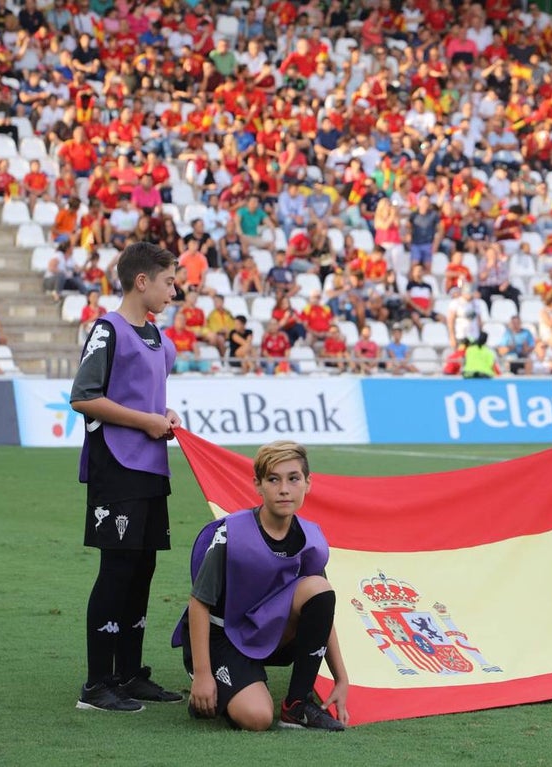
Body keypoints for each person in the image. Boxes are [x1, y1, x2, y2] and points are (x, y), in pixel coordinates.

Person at [70, 242, 183, 712]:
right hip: (116, 466)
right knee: (117, 570)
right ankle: (98, 685)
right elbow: (83, 397)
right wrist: (146, 421)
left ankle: (131, 674)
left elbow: (147, 397)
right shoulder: (107, 331)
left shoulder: (159, 338)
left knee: (142, 570)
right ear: (142, 281)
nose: (173, 291)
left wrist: (165, 414)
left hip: (151, 467)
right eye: (169, 282)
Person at [174, 441, 350, 731]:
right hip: (222, 637)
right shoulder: (231, 534)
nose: (284, 489)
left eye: (293, 479)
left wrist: (341, 678)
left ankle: (297, 705)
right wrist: (203, 674)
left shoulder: (311, 538)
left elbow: (321, 610)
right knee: (257, 718)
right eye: (273, 479)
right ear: (257, 484)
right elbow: (199, 603)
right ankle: (224, 681)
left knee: (318, 587)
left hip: (266, 631)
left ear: (308, 483)